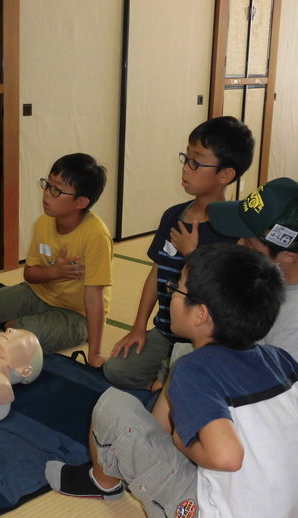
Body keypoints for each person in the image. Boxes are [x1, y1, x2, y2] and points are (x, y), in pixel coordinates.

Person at [45, 243, 298, 517]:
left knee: (111, 405)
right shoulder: (278, 358)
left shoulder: (194, 370)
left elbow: (227, 457)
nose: (171, 293)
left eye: (177, 289)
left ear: (200, 314)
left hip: (211, 511)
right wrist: (267, 430)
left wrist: (182, 440)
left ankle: (103, 482)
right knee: (182, 355)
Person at [103, 115, 254, 388]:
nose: (186, 168)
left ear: (226, 174)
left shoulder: (236, 231)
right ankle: (164, 379)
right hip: (165, 331)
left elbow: (224, 299)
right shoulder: (174, 215)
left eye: (196, 162)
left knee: (182, 387)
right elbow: (156, 274)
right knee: (116, 370)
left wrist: (192, 255)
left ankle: (169, 382)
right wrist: (138, 328)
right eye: (186, 158)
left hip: (206, 341)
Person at [0, 153, 112, 367]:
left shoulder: (96, 236)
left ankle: (17, 322)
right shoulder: (44, 222)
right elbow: (30, 274)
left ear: (81, 202)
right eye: (47, 184)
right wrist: (55, 273)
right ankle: (13, 314)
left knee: (20, 338)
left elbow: (94, 298)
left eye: (57, 189)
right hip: (38, 293)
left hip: (76, 315)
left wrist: (95, 353)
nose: (46, 194)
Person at [208, 177, 298, 396]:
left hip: (295, 409)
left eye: (250, 244)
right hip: (257, 361)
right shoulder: (296, 258)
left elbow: (281, 399)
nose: (239, 244)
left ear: (287, 256)